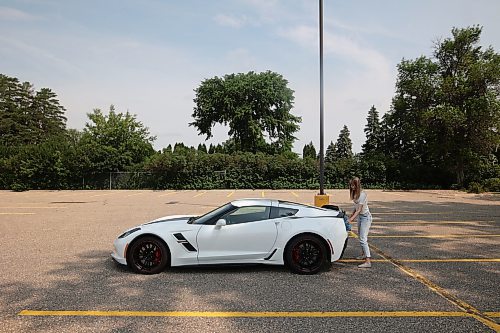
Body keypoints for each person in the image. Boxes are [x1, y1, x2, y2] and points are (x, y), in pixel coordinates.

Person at [348, 177, 372, 268]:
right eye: (351, 185)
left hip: (366, 218)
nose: (351, 187)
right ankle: (363, 254)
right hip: (361, 218)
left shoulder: (362, 195)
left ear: (357, 185)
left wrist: (351, 220)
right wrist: (351, 215)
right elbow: (356, 207)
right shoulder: (355, 194)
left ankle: (368, 261)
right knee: (361, 237)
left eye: (353, 185)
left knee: (363, 239)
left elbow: (359, 210)